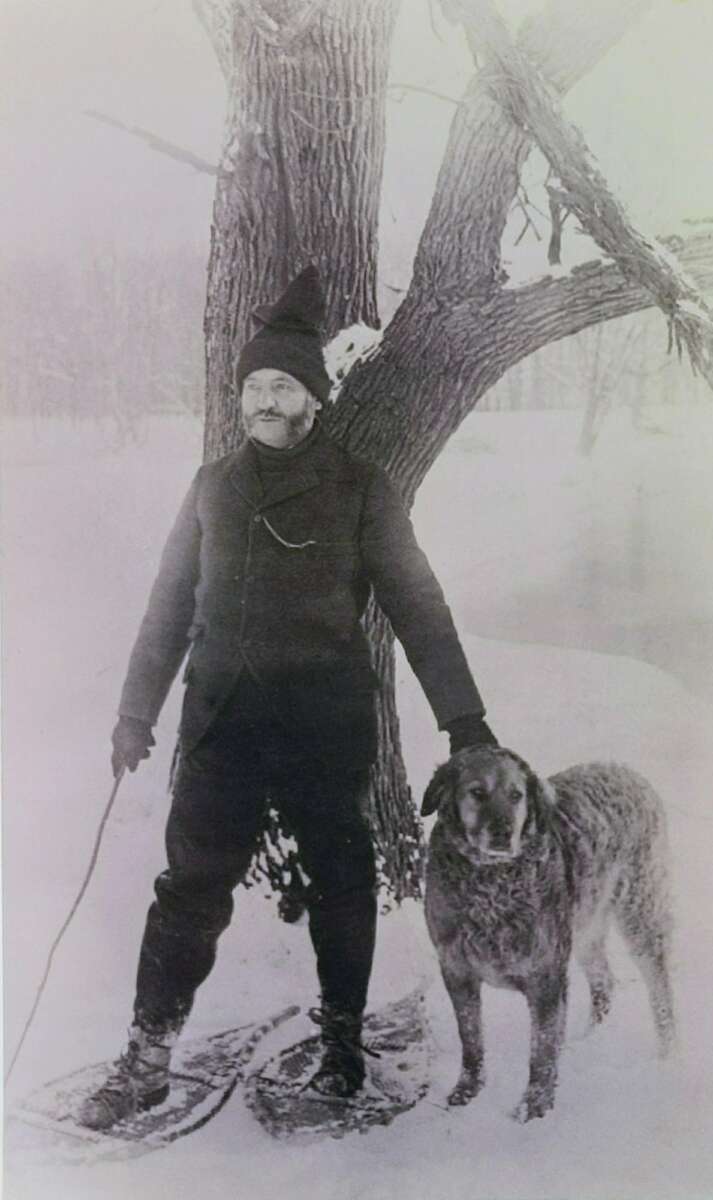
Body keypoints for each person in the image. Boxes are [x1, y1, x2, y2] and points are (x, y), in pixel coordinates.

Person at [79, 265, 496, 1130]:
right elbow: (167, 607)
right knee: (188, 890)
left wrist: (465, 720)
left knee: (341, 880)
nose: (264, 401)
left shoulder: (361, 488)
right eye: (254, 386)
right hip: (220, 726)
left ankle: (341, 1038)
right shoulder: (211, 488)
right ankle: (148, 1055)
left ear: (314, 399)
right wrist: (134, 712)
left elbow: (419, 607)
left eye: (282, 386)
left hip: (320, 726)